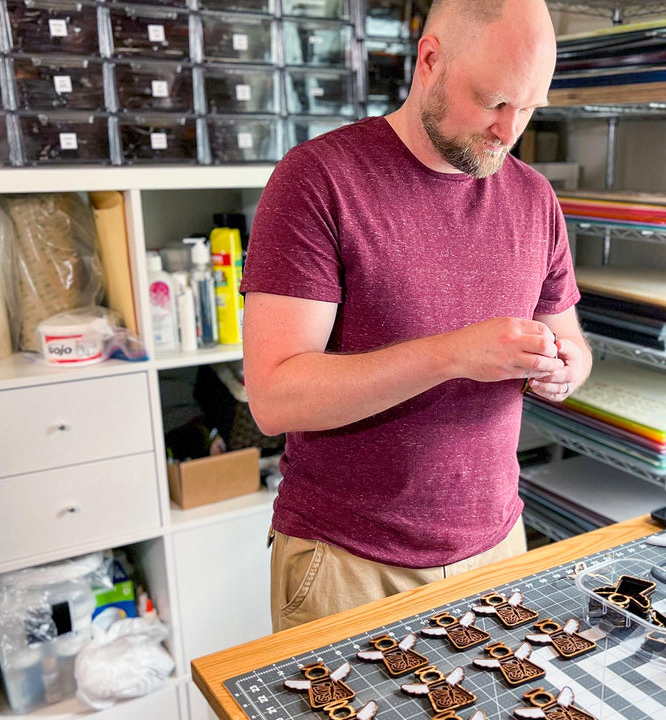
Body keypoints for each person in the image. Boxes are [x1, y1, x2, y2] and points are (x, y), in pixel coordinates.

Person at [241, 0, 591, 633]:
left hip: (498, 549)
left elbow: (571, 341)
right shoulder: (318, 180)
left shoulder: (534, 197)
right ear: (430, 60)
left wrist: (564, 368)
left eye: (530, 108)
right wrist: (452, 354)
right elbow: (274, 397)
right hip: (350, 565)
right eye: (494, 101)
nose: (509, 130)